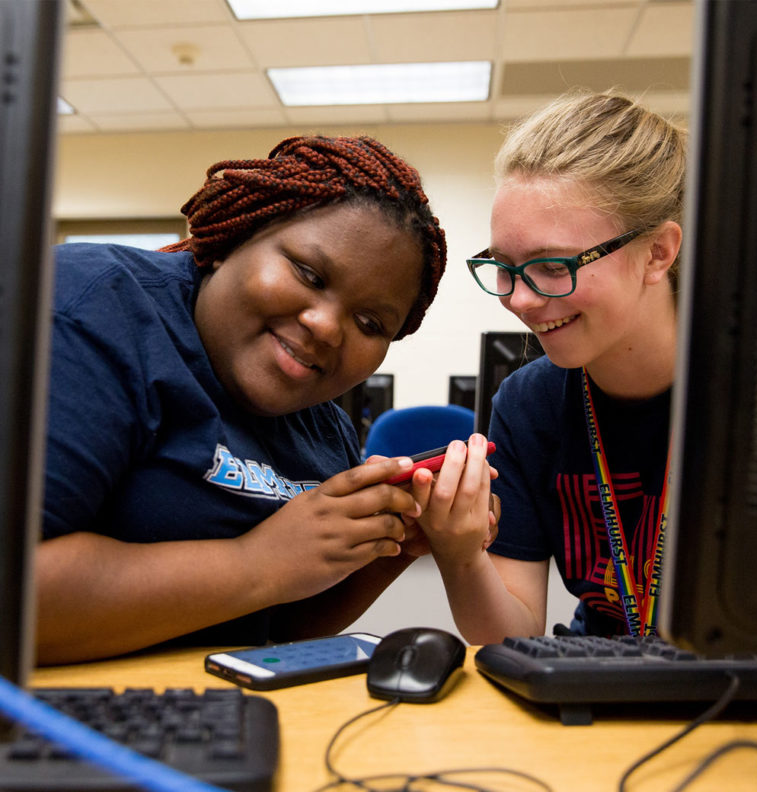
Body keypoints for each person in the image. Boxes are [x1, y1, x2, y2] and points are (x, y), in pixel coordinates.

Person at [36, 134, 466, 665]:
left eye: (370, 322)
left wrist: (387, 544)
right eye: (309, 274)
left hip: (208, 718)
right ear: (233, 239)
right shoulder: (91, 308)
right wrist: (255, 563)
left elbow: (276, 615)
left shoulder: (321, 425)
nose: (327, 327)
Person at [416, 89, 686, 643]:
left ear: (657, 253)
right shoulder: (527, 404)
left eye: (551, 265)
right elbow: (512, 639)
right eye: (503, 267)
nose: (519, 300)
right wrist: (462, 555)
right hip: (596, 689)